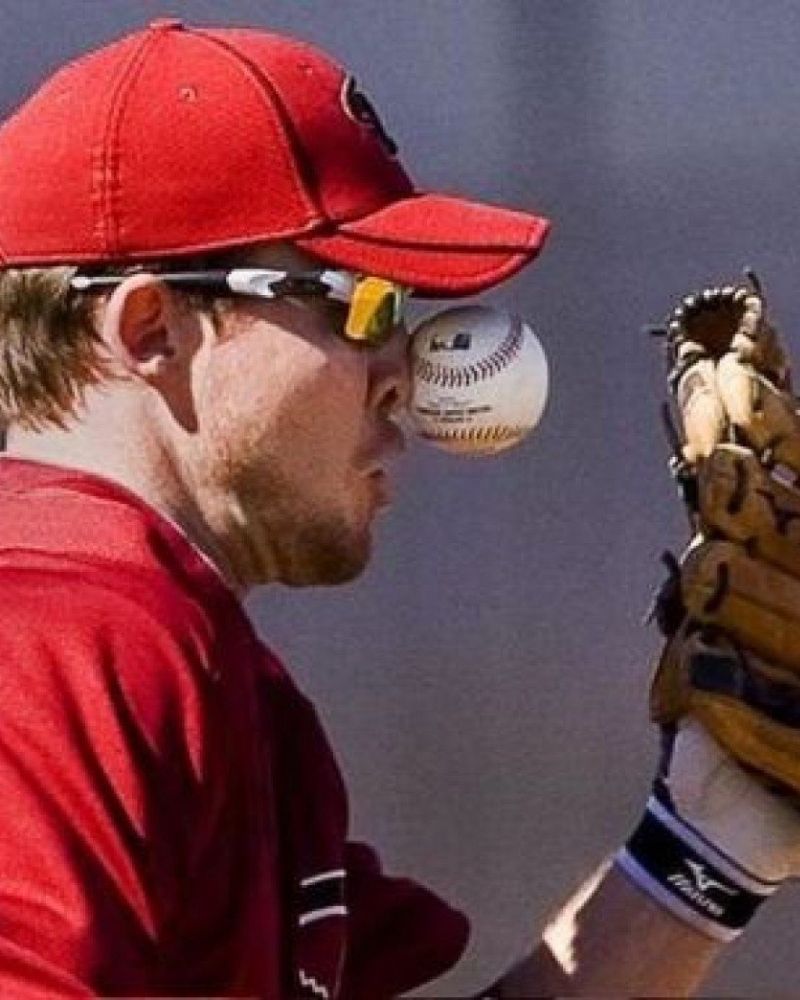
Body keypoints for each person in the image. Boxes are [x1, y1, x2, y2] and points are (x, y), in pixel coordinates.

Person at [0, 17, 797, 999]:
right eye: (356, 301)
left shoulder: (204, 671)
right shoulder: (54, 639)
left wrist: (705, 847)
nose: (404, 372)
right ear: (152, 327)